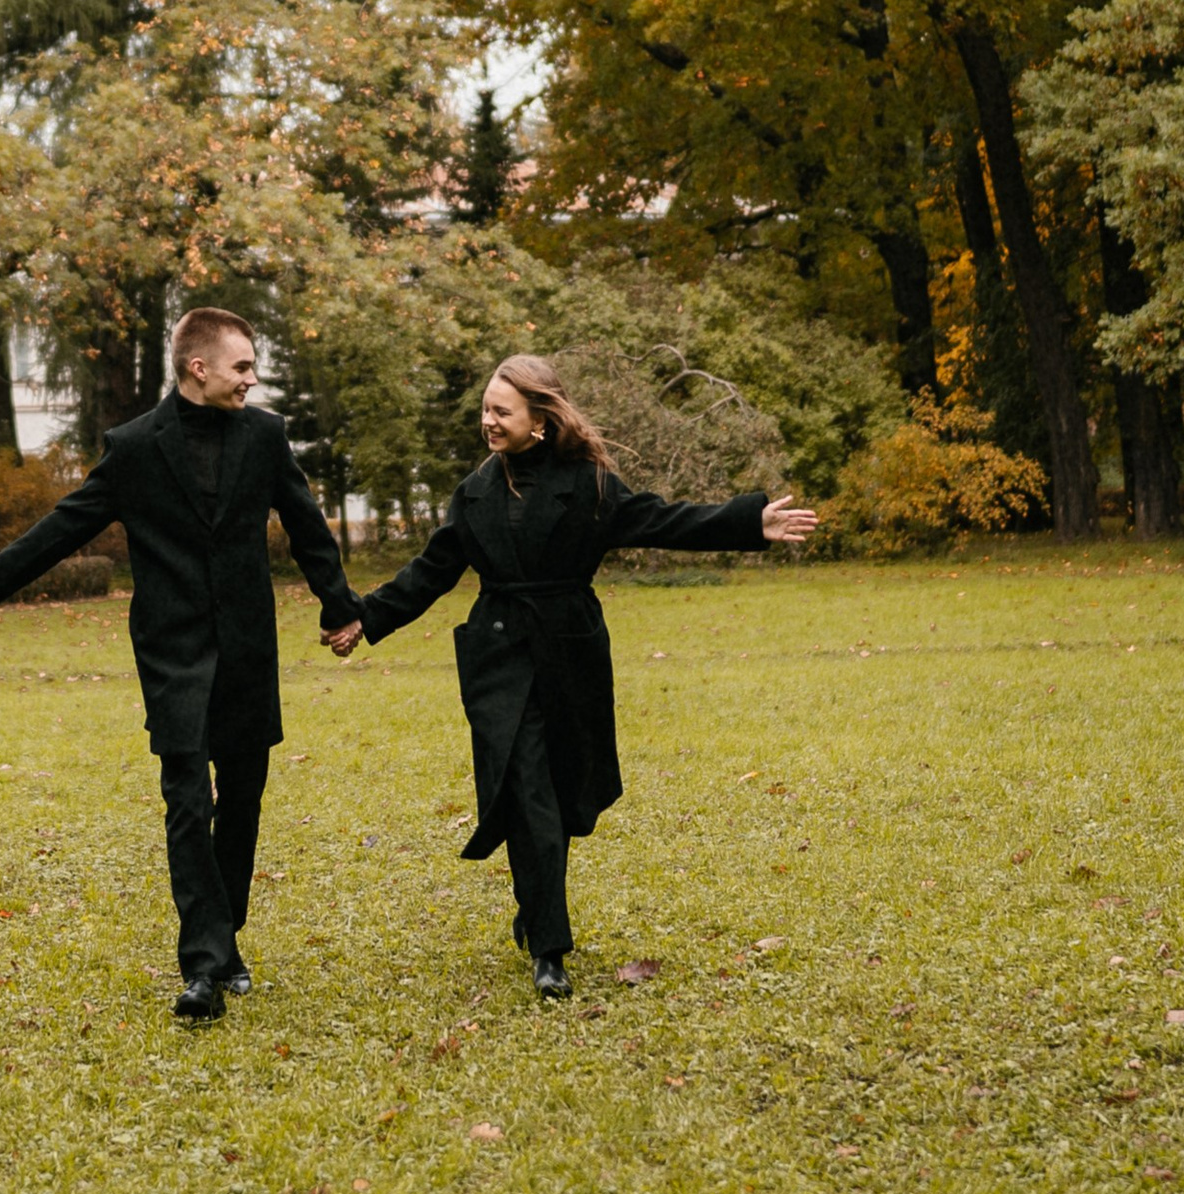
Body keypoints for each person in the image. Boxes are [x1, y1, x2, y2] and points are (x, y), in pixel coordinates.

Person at [325, 353, 817, 1000]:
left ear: (539, 419)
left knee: (561, 797)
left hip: (571, 654)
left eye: (502, 411)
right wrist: (366, 619)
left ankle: (534, 910)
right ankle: (550, 951)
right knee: (528, 793)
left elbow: (663, 520)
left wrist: (748, 521)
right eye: (485, 409)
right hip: (501, 658)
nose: (488, 421)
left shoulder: (589, 486)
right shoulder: (473, 494)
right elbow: (431, 571)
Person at [0, 307, 362, 1021]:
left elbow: (306, 523)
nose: (251, 380)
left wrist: (338, 605)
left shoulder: (265, 435)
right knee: (187, 800)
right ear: (200, 368)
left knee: (244, 798)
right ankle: (202, 965)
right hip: (172, 652)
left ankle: (225, 938)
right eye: (242, 367)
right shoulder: (134, 447)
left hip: (248, 650)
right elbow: (69, 522)